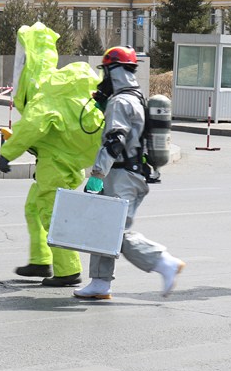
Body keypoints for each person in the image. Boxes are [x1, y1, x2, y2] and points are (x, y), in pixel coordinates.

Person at [0, 22, 104, 287]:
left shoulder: (46, 90)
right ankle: (40, 260)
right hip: (62, 156)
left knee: (50, 211)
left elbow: (32, 126)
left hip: (57, 161)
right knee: (34, 207)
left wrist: (7, 153)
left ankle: (68, 269)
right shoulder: (53, 85)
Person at [74, 46, 185, 300]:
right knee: (104, 226)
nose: (103, 79)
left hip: (121, 175)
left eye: (106, 73)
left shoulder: (121, 101)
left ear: (115, 72)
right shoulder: (133, 98)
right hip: (128, 173)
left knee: (114, 230)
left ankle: (164, 262)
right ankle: (100, 282)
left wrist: (97, 174)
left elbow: (115, 140)